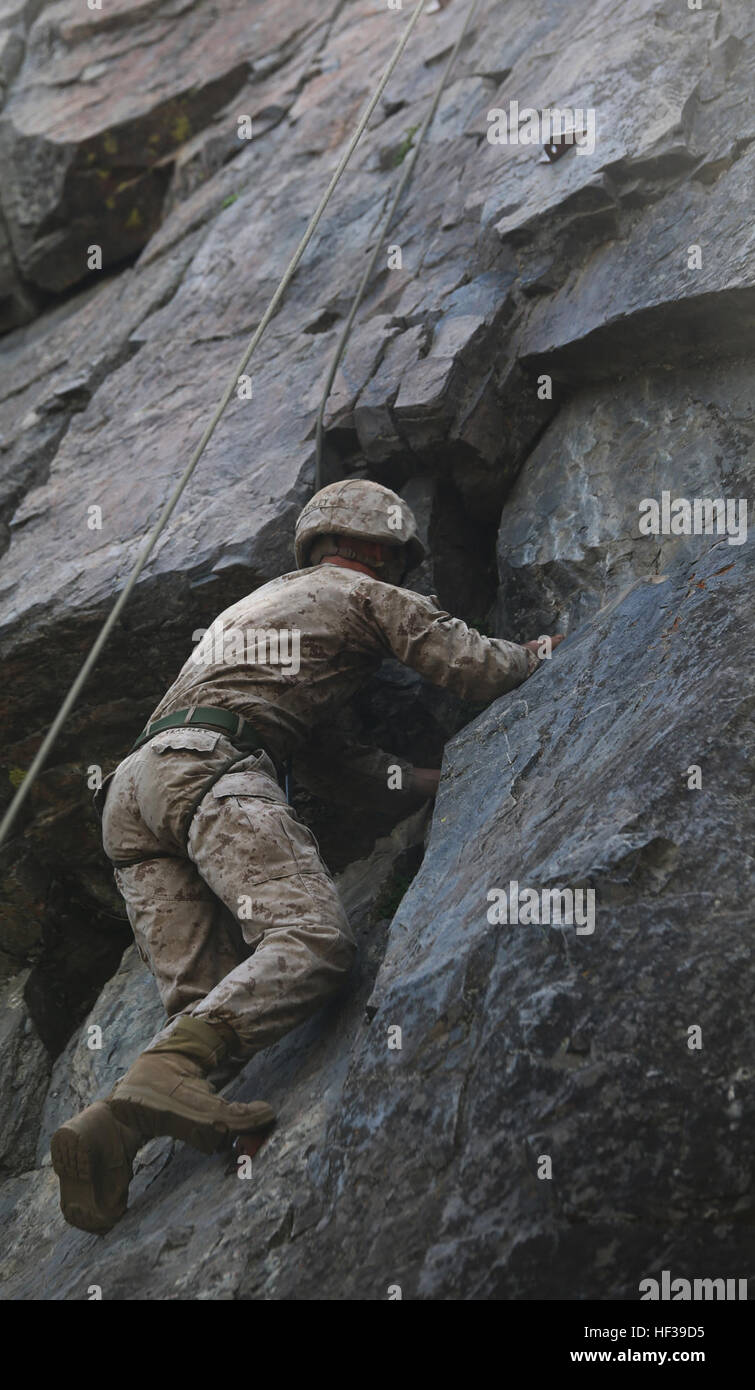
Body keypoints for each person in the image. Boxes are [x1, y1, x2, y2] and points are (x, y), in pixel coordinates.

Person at [51, 479, 562, 1233]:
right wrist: (532, 655)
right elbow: (467, 662)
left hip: (134, 795)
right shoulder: (356, 593)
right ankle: (160, 1081)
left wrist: (438, 777)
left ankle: (110, 1130)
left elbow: (334, 764)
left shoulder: (253, 613)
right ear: (378, 548)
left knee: (211, 1005)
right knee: (311, 942)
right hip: (210, 771)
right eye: (393, 558)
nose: (394, 572)